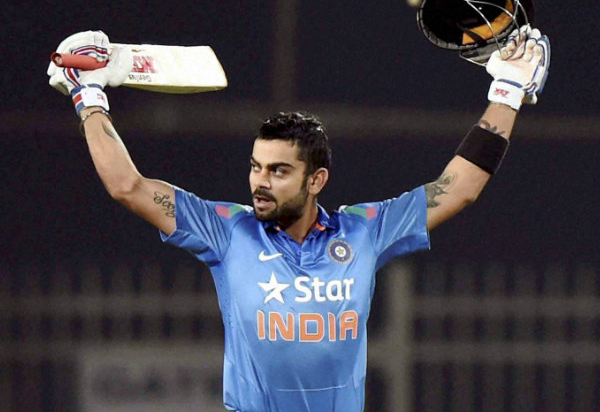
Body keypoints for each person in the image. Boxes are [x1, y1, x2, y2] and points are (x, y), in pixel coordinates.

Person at [47, 25, 549, 412]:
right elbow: (128, 186)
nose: (260, 182)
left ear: (316, 180)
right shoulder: (227, 230)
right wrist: (89, 98)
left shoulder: (364, 230)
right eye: (255, 167)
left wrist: (507, 91)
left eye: (279, 171)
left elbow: (457, 189)